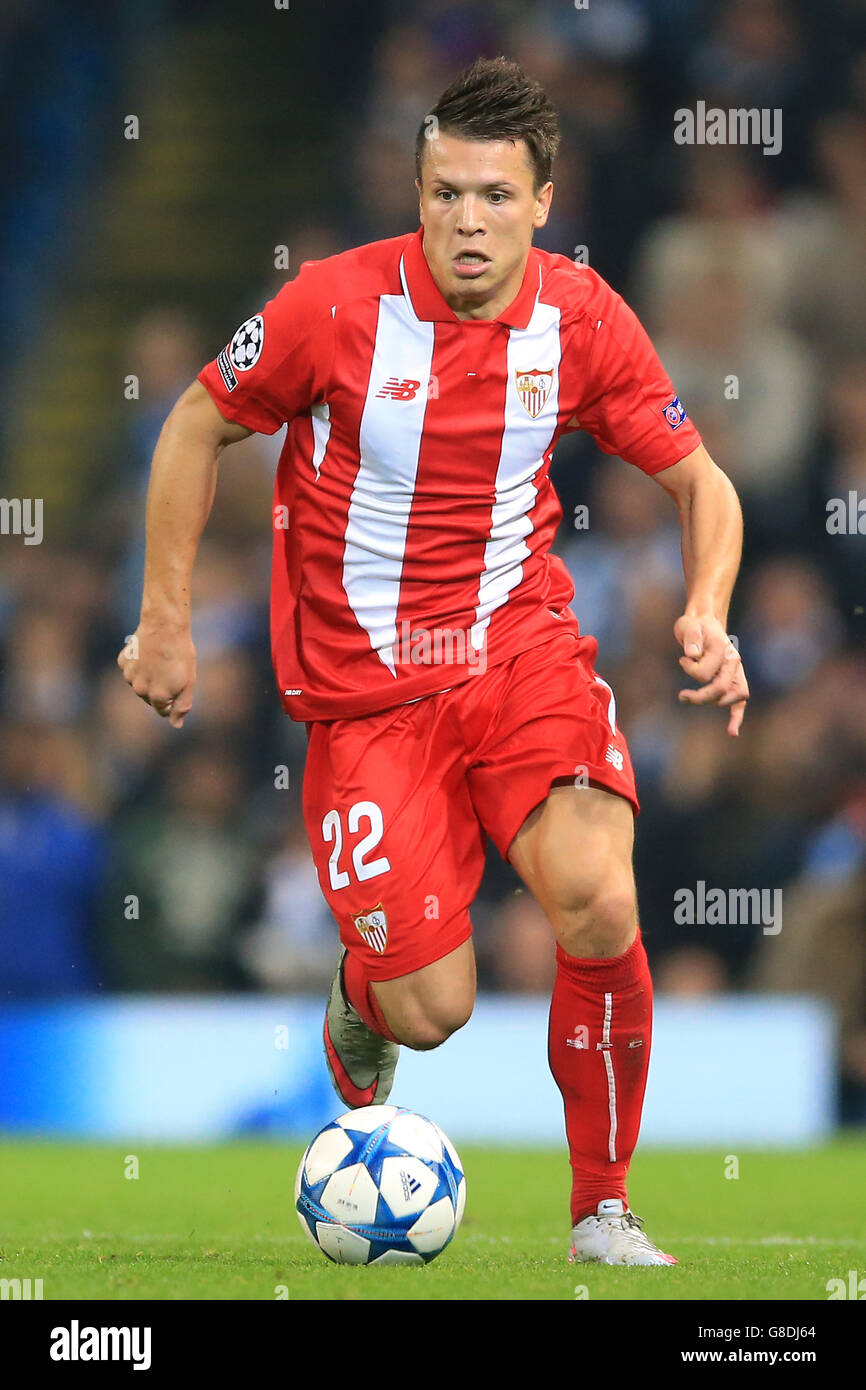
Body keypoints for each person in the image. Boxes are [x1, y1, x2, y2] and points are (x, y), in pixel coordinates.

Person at [117, 57, 749, 1266]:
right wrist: (165, 619)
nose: (468, 221)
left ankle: (599, 1209)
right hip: (364, 703)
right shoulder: (331, 309)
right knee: (433, 1008)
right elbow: (197, 421)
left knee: (600, 895)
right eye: (446, 193)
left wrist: (709, 610)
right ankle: (361, 1003)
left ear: (544, 201)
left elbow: (697, 479)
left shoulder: (582, 318)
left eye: (495, 197)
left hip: (519, 657)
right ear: (414, 191)